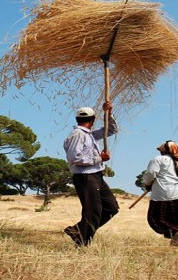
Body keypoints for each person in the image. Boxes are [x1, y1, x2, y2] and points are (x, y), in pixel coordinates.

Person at [63, 101, 119, 246]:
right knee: (92, 211)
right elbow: (75, 158)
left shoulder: (90, 135)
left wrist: (109, 113)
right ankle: (82, 241)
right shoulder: (77, 135)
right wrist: (100, 158)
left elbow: (111, 130)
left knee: (111, 208)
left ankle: (78, 231)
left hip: (96, 175)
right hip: (85, 177)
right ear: (93, 120)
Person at [142, 140, 178, 247]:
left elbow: (150, 174)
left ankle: (174, 232)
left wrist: (147, 184)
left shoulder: (158, 160)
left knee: (156, 218)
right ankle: (176, 238)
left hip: (163, 195)